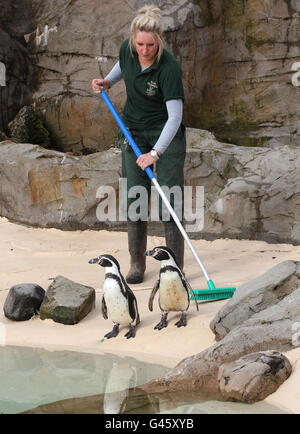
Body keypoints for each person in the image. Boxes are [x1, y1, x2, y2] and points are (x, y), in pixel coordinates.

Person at [92, 5, 186, 283]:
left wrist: (156, 153)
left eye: (150, 45)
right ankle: (136, 263)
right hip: (132, 131)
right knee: (135, 197)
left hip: (165, 135)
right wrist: (107, 81)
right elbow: (123, 65)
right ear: (133, 40)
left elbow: (175, 117)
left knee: (170, 199)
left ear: (159, 42)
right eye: (140, 44)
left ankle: (174, 267)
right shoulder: (128, 49)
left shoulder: (168, 68)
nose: (144, 50)